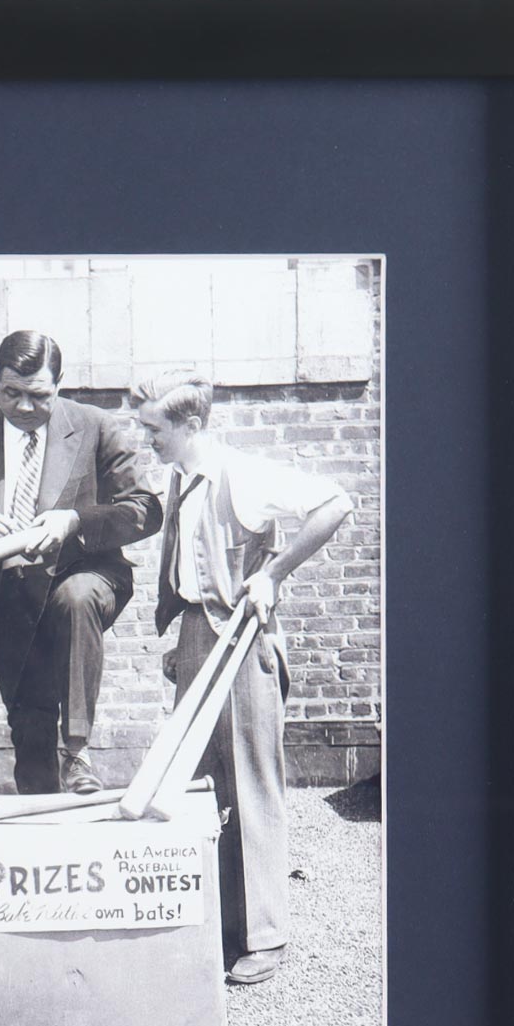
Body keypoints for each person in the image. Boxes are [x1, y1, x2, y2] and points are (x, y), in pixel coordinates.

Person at [131, 371, 354, 985]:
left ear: (190, 424)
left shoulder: (244, 476)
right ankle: (224, 926)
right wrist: (184, 642)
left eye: (154, 429)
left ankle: (266, 935)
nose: (147, 439)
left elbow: (336, 503)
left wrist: (273, 574)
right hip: (198, 636)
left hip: (243, 639)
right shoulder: (181, 478)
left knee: (251, 781)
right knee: (205, 785)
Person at [0, 330, 162, 795]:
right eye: (10, 393)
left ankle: (77, 750)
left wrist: (75, 520)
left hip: (84, 573)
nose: (22, 406)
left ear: (59, 383)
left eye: (38, 395)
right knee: (31, 740)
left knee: (74, 599)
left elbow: (144, 509)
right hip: (9, 597)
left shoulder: (95, 427)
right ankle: (41, 816)